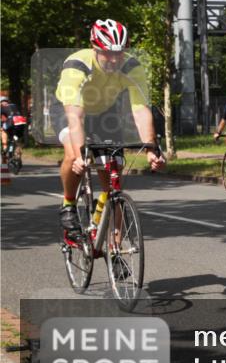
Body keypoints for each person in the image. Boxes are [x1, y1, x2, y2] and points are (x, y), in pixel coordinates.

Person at [54, 19, 165, 243]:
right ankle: (68, 205)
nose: (114, 59)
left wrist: (151, 148)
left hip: (105, 111)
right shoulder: (77, 65)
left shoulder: (132, 67)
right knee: (73, 155)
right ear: (94, 47)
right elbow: (75, 117)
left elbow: (140, 110)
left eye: (119, 53)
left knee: (113, 174)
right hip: (69, 110)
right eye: (107, 53)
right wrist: (78, 155)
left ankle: (116, 248)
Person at [1, 96, 28, 160]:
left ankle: (5, 147)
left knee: (3, 130)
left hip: (12, 121)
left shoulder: (2, 107)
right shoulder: (14, 105)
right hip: (21, 122)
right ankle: (17, 151)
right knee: (16, 138)